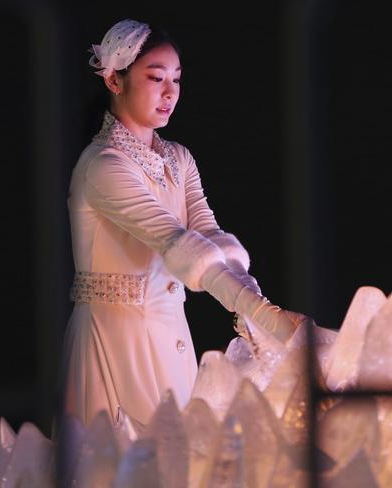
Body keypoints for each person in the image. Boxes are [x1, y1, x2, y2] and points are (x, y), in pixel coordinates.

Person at [61, 19, 308, 427]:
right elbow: (177, 243)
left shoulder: (178, 158)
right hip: (117, 338)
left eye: (176, 79)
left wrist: (257, 315)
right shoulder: (103, 165)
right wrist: (267, 317)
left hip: (170, 330)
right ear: (114, 80)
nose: (170, 92)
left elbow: (210, 239)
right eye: (156, 78)